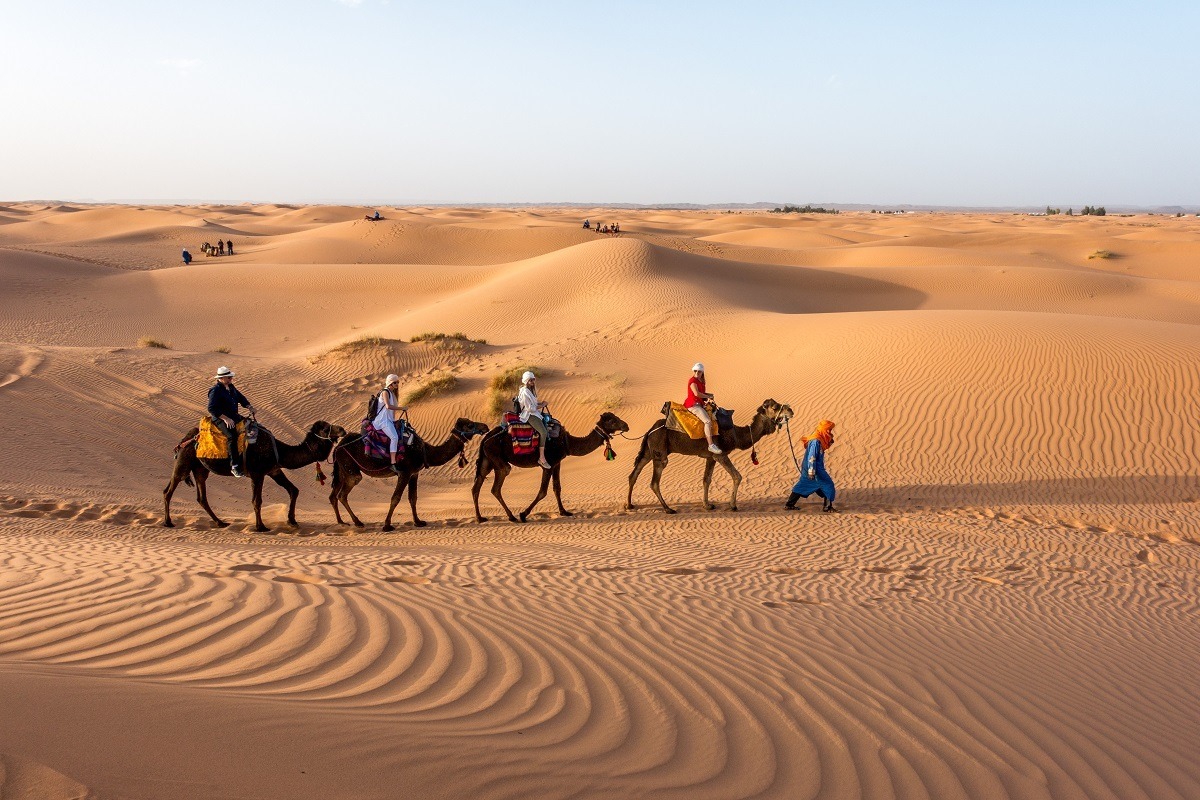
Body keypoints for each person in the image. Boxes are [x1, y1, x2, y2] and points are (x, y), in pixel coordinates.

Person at [208, 366, 254, 477]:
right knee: (232, 437)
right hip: (220, 419)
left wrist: (249, 406)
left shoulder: (231, 388)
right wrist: (225, 418)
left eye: (230, 377)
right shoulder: (215, 391)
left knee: (252, 425)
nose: (231, 379)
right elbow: (212, 409)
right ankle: (234, 466)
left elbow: (240, 398)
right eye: (228, 377)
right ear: (221, 378)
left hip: (234, 416)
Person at [786, 420, 837, 512]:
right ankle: (827, 507)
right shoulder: (816, 441)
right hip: (814, 468)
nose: (830, 432)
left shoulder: (819, 439)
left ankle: (789, 504)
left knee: (804, 484)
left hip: (812, 467)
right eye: (828, 430)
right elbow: (812, 456)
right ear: (823, 430)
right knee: (828, 484)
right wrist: (811, 471)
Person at [372, 374, 409, 473]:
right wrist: (402, 408)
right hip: (382, 420)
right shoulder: (385, 392)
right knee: (394, 437)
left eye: (397, 382)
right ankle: (393, 463)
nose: (397, 384)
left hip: (388, 420)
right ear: (390, 383)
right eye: (395, 382)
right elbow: (388, 406)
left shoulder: (392, 393)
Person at [517, 371, 552, 469]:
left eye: (533, 379)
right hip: (529, 415)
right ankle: (541, 458)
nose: (532, 381)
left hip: (534, 413)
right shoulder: (524, 392)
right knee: (544, 432)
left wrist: (541, 403)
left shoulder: (530, 390)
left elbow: (534, 404)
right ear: (526, 381)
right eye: (530, 380)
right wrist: (542, 405)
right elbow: (530, 408)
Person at [685, 363, 722, 454]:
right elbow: (696, 394)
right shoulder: (693, 381)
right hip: (693, 405)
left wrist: (709, 396)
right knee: (708, 421)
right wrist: (708, 396)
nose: (697, 372)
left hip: (700, 404)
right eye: (695, 371)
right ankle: (710, 445)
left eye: (699, 371)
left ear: (702, 372)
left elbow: (702, 395)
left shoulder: (701, 381)